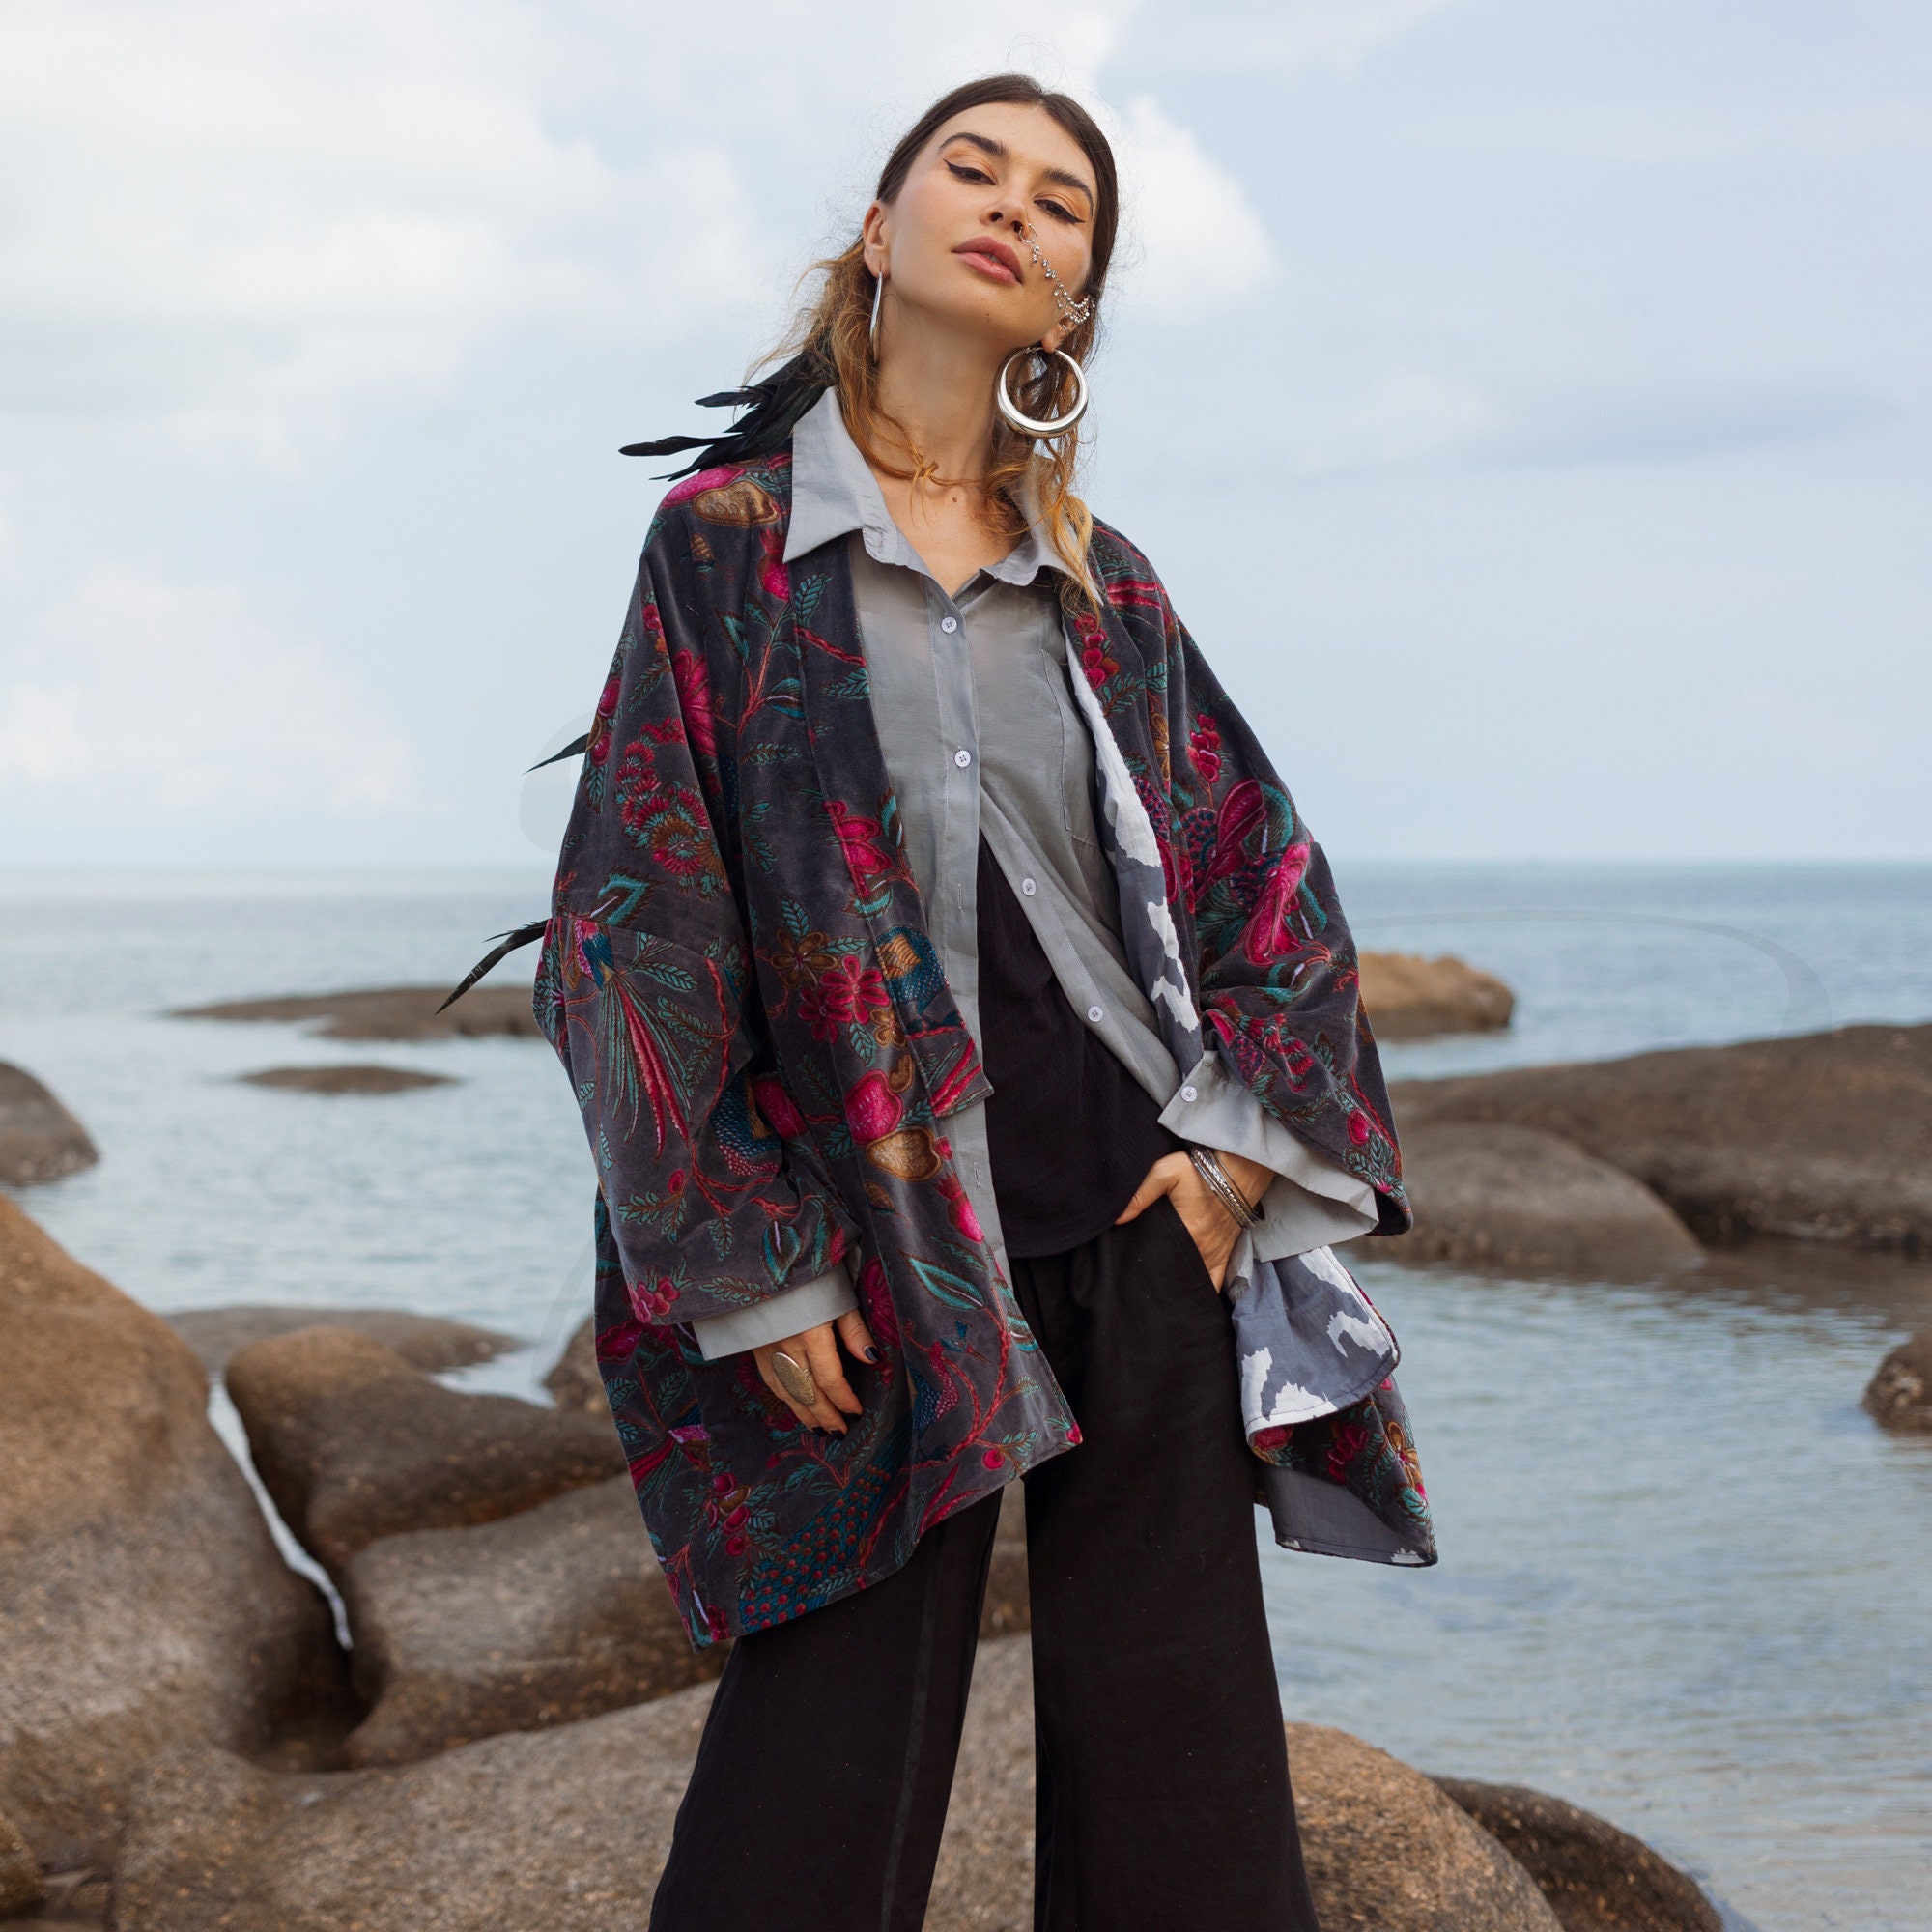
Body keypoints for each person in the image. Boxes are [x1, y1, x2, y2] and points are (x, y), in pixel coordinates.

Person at [525, 71, 1435, 1932]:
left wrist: (1235, 1164)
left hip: (1139, 1210)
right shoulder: (725, 544)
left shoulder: (1104, 585)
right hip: (878, 1234)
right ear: (883, 229)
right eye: (975, 169)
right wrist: (754, 1266)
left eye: (1063, 203)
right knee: (819, 1763)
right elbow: (639, 924)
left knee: (1178, 1756)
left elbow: (1271, 880)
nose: (1014, 207)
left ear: (1073, 299)